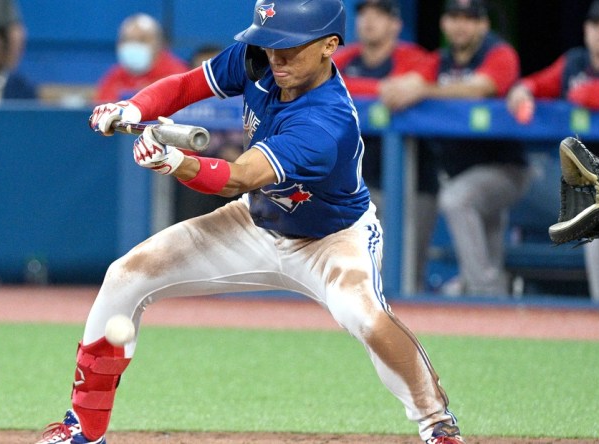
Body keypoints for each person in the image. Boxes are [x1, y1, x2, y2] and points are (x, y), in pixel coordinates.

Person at [37, 1, 465, 444]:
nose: (275, 58)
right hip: (256, 222)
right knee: (126, 276)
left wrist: (176, 162)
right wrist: (133, 107)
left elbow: (238, 176)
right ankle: (84, 429)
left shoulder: (326, 121)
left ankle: (437, 425)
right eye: (269, 44)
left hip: (331, 240)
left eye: (289, 48)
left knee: (365, 316)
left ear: (330, 46)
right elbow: (186, 86)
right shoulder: (256, 57)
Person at [379, 0, 529, 296]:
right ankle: (492, 301)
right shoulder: (439, 60)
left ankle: (484, 292)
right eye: (454, 17)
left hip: (505, 169)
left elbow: (480, 88)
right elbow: (396, 86)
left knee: (458, 199)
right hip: (461, 170)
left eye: (470, 18)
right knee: (487, 238)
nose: (461, 25)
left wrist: (425, 90)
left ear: (483, 25)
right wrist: (402, 87)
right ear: (444, 24)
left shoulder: (499, 53)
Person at [506, 0, 599, 301]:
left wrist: (587, 94)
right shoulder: (575, 63)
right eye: (596, 25)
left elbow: (594, 93)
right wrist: (523, 89)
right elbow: (539, 83)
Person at [333, 0, 438, 292]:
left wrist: (392, 89)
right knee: (357, 270)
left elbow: (411, 87)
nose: (369, 20)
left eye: (379, 14)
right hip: (357, 182)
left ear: (396, 24)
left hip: (412, 184)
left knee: (406, 274)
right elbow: (320, 82)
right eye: (364, 13)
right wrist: (379, 89)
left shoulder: (414, 57)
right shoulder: (345, 58)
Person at [173, 44, 245, 221]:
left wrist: (237, 156)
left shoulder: (246, 96)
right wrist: (221, 152)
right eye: (204, 71)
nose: (213, 77)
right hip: (200, 173)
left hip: (242, 169)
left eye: (217, 69)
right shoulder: (183, 103)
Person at [93, 14, 189, 103]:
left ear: (160, 43)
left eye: (142, 39)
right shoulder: (116, 74)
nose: (134, 45)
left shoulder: (177, 74)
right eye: (127, 40)